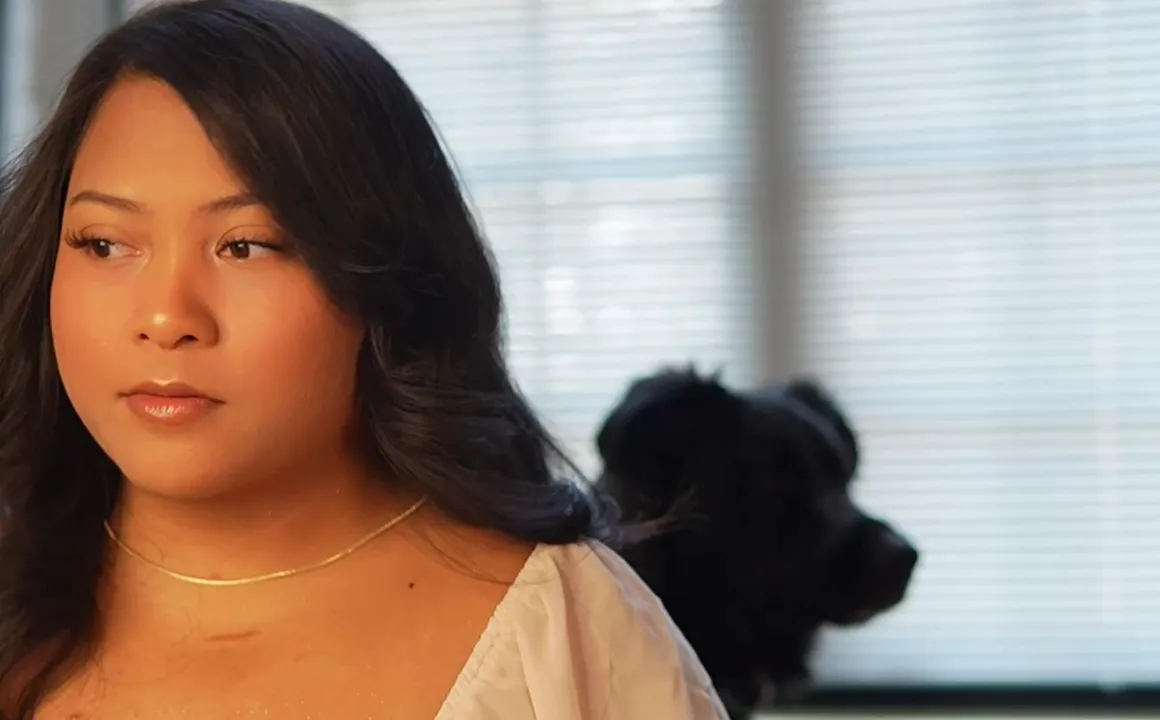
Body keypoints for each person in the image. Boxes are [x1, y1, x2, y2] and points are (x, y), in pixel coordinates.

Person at [0, 1, 729, 717]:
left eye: (246, 246)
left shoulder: (566, 631)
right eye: (104, 244)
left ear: (382, 283)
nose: (166, 318)